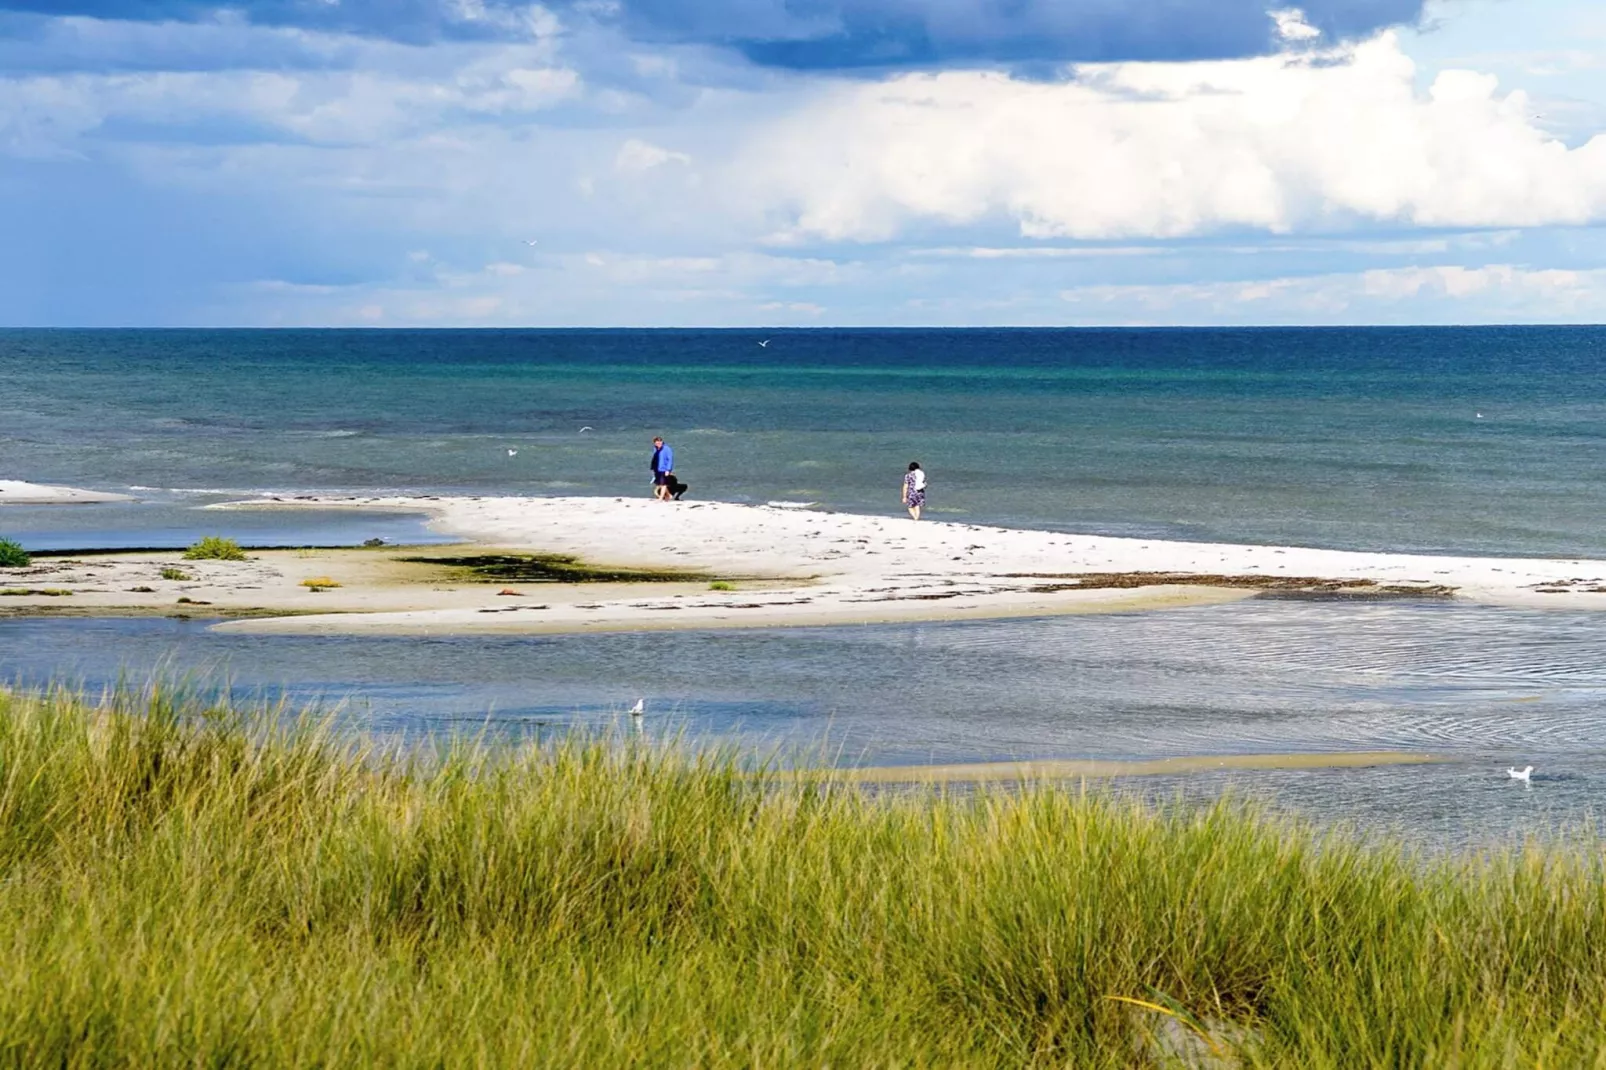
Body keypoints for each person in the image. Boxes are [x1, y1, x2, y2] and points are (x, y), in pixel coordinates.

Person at [649, 436, 675, 501]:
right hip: (657, 468)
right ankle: (669, 495)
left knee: (663, 484)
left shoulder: (667, 449)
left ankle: (660, 498)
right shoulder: (655, 449)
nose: (659, 444)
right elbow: (655, 459)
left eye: (660, 442)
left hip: (664, 469)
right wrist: (652, 468)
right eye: (657, 442)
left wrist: (668, 470)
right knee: (660, 484)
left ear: (662, 442)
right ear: (654, 443)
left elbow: (670, 460)